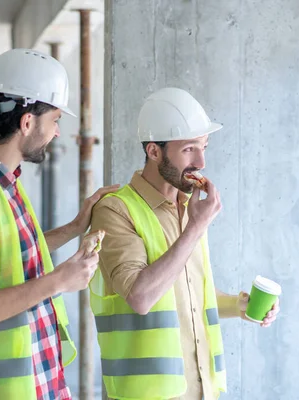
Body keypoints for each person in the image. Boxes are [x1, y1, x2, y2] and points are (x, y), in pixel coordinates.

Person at [0, 48, 118, 400]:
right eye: (55, 120)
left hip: (34, 383)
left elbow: (10, 257)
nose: (58, 133)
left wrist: (76, 227)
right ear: (27, 122)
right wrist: (58, 281)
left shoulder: (3, 184)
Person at [89, 87, 280, 400]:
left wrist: (241, 306)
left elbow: (189, 298)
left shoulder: (188, 208)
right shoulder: (115, 209)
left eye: (204, 147)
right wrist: (197, 226)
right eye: (190, 149)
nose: (201, 161)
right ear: (154, 151)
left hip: (200, 392)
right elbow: (140, 297)